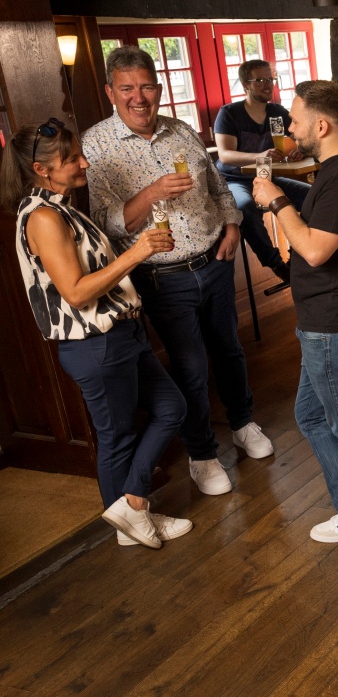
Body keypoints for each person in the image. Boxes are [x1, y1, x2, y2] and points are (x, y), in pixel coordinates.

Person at [83, 47, 274, 499]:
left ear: (159, 87)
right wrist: (150, 193)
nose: (139, 98)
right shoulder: (96, 146)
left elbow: (217, 185)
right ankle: (202, 454)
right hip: (161, 277)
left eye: (147, 86)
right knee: (188, 367)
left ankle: (244, 423)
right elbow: (108, 224)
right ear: (111, 92)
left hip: (214, 261)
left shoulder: (181, 130)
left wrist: (231, 224)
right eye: (127, 88)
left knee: (229, 350)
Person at [1, 118, 189, 549]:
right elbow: (76, 292)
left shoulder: (60, 206)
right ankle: (130, 523)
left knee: (171, 408)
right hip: (96, 345)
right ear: (42, 169)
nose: (84, 163)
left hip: (121, 335)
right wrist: (139, 252)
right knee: (117, 438)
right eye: (71, 159)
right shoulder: (43, 217)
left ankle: (133, 507)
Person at [251, 80, 338, 573]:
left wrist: (275, 200)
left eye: (296, 119)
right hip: (329, 320)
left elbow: (313, 249)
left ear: (322, 126)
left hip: (336, 322)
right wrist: (285, 192)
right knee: (310, 416)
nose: (290, 127)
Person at [213, 59, 311, 284]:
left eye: (270, 79)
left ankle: (296, 259)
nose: (268, 85)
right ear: (245, 84)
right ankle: (277, 265)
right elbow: (226, 155)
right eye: (260, 80)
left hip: (268, 178)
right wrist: (259, 157)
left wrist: (300, 151)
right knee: (245, 207)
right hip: (233, 180)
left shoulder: (277, 111)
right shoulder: (229, 113)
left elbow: (300, 138)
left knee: (312, 196)